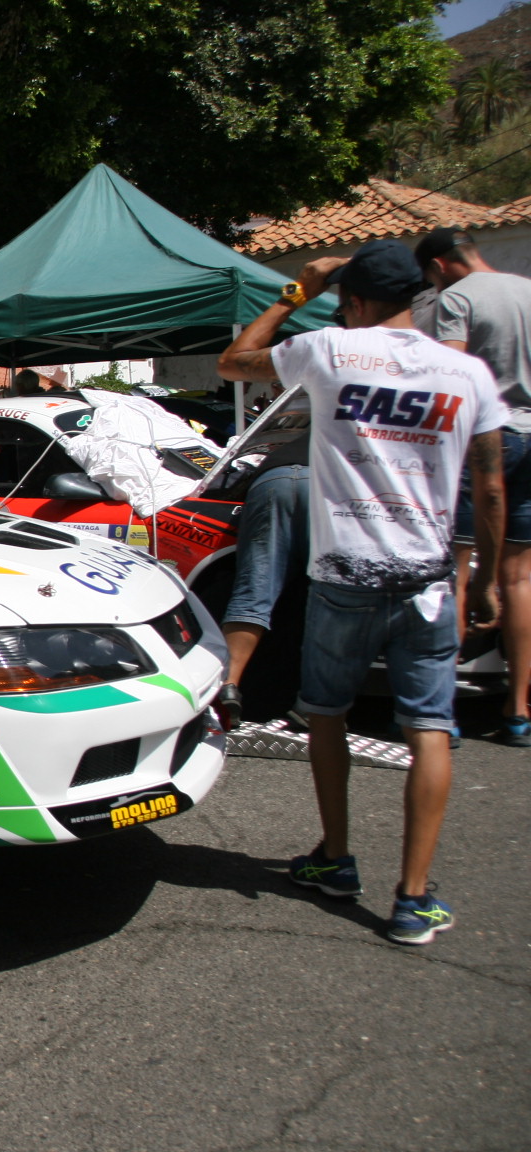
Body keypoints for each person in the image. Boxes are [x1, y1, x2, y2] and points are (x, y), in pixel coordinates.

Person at [218, 239, 507, 946]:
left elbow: (235, 360)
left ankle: (336, 858)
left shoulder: (329, 349)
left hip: (344, 574)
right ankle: (413, 898)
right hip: (429, 580)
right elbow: (492, 486)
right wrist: (488, 577)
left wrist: (296, 292)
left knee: (326, 715)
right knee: (429, 728)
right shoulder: (468, 373)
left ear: (351, 300)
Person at [417, 226, 531, 746]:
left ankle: (442, 710)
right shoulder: (526, 289)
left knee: (457, 575)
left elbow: (452, 374)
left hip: (487, 439)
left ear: (439, 266)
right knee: (519, 578)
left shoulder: (457, 299)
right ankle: (518, 711)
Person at [214, 420, 311, 728]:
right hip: (327, 486)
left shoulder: (307, 432)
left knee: (254, 591)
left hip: (272, 479)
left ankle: (226, 686)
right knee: (330, 597)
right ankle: (313, 704)